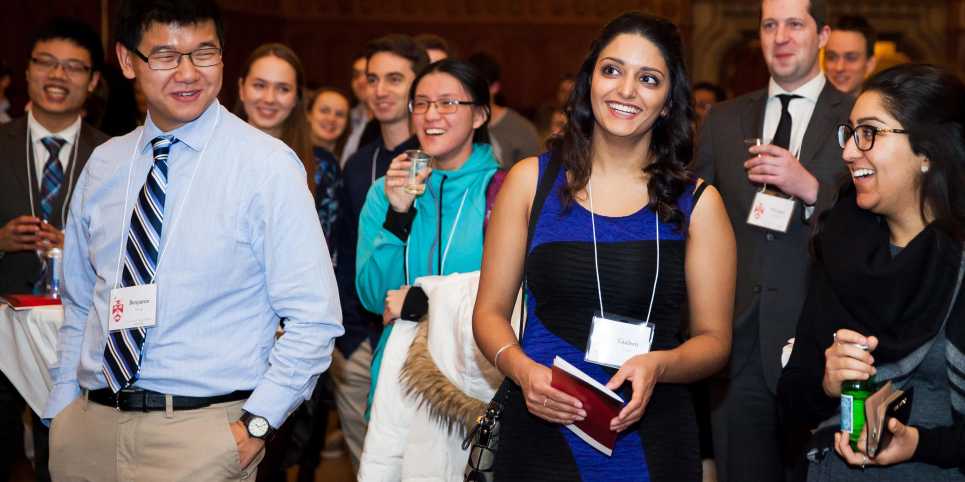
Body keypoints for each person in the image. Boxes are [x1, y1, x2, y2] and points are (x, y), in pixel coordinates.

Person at [42, 2, 343, 482]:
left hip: (201, 434)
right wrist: (60, 410)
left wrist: (257, 423)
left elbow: (314, 317)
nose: (187, 72)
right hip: (89, 429)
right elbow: (80, 302)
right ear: (126, 61)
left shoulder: (267, 167)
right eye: (164, 55)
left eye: (204, 53)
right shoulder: (105, 163)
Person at [474, 11, 736, 481]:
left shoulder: (699, 204)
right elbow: (489, 313)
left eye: (648, 78)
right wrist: (520, 369)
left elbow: (715, 343)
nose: (626, 90)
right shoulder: (530, 182)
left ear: (669, 101)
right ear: (588, 81)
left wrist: (661, 365)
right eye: (612, 70)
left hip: (651, 437)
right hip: (540, 428)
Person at [778, 63, 965, 480]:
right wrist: (827, 383)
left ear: (927, 153)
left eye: (870, 133)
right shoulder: (841, 243)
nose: (847, 152)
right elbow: (791, 405)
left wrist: (918, 442)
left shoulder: (957, 263)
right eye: (851, 133)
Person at [694, 0, 854, 480]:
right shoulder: (722, 121)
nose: (780, 37)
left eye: (794, 24)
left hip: (822, 342)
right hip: (736, 343)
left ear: (823, 35)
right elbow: (692, 222)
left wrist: (811, 190)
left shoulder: (858, 116)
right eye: (769, 25)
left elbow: (880, 221)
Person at [356, 58, 501, 480]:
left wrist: (422, 301)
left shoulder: (505, 191)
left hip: (473, 386)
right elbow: (371, 294)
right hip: (397, 383)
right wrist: (398, 215)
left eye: (448, 103)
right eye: (421, 104)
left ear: (480, 114)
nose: (431, 115)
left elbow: (515, 295)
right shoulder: (385, 192)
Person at [0, 18, 108, 482]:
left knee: (63, 464)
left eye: (73, 67)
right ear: (27, 71)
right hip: (1, 329)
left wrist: (79, 249)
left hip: (79, 342)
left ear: (94, 80)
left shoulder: (114, 158)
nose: (57, 76)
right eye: (46, 63)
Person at [331, 34, 428, 473]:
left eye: (395, 79)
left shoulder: (437, 159)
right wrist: (349, 341)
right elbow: (345, 251)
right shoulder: (358, 164)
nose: (381, 90)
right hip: (360, 339)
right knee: (368, 465)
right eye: (373, 79)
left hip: (423, 340)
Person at [236, 42, 315, 193]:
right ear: (241, 88)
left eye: (283, 89)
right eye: (259, 85)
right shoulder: (212, 155)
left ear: (296, 98)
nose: (269, 99)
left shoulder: (322, 168)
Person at [467, 51, 541, 168]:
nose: (473, 93)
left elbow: (535, 177)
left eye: (480, 87)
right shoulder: (456, 124)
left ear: (495, 88)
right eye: (468, 86)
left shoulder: (522, 129)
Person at [307, 87, 350, 249]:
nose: (332, 119)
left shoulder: (334, 161)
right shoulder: (325, 163)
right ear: (308, 114)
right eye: (324, 111)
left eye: (339, 114)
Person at [823, 15, 877, 97]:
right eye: (831, 57)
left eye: (851, 58)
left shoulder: (882, 108)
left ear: (870, 64)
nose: (839, 67)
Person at [341, 52, 373, 165]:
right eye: (356, 75)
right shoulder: (346, 116)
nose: (360, 81)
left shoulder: (389, 122)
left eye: (368, 75)